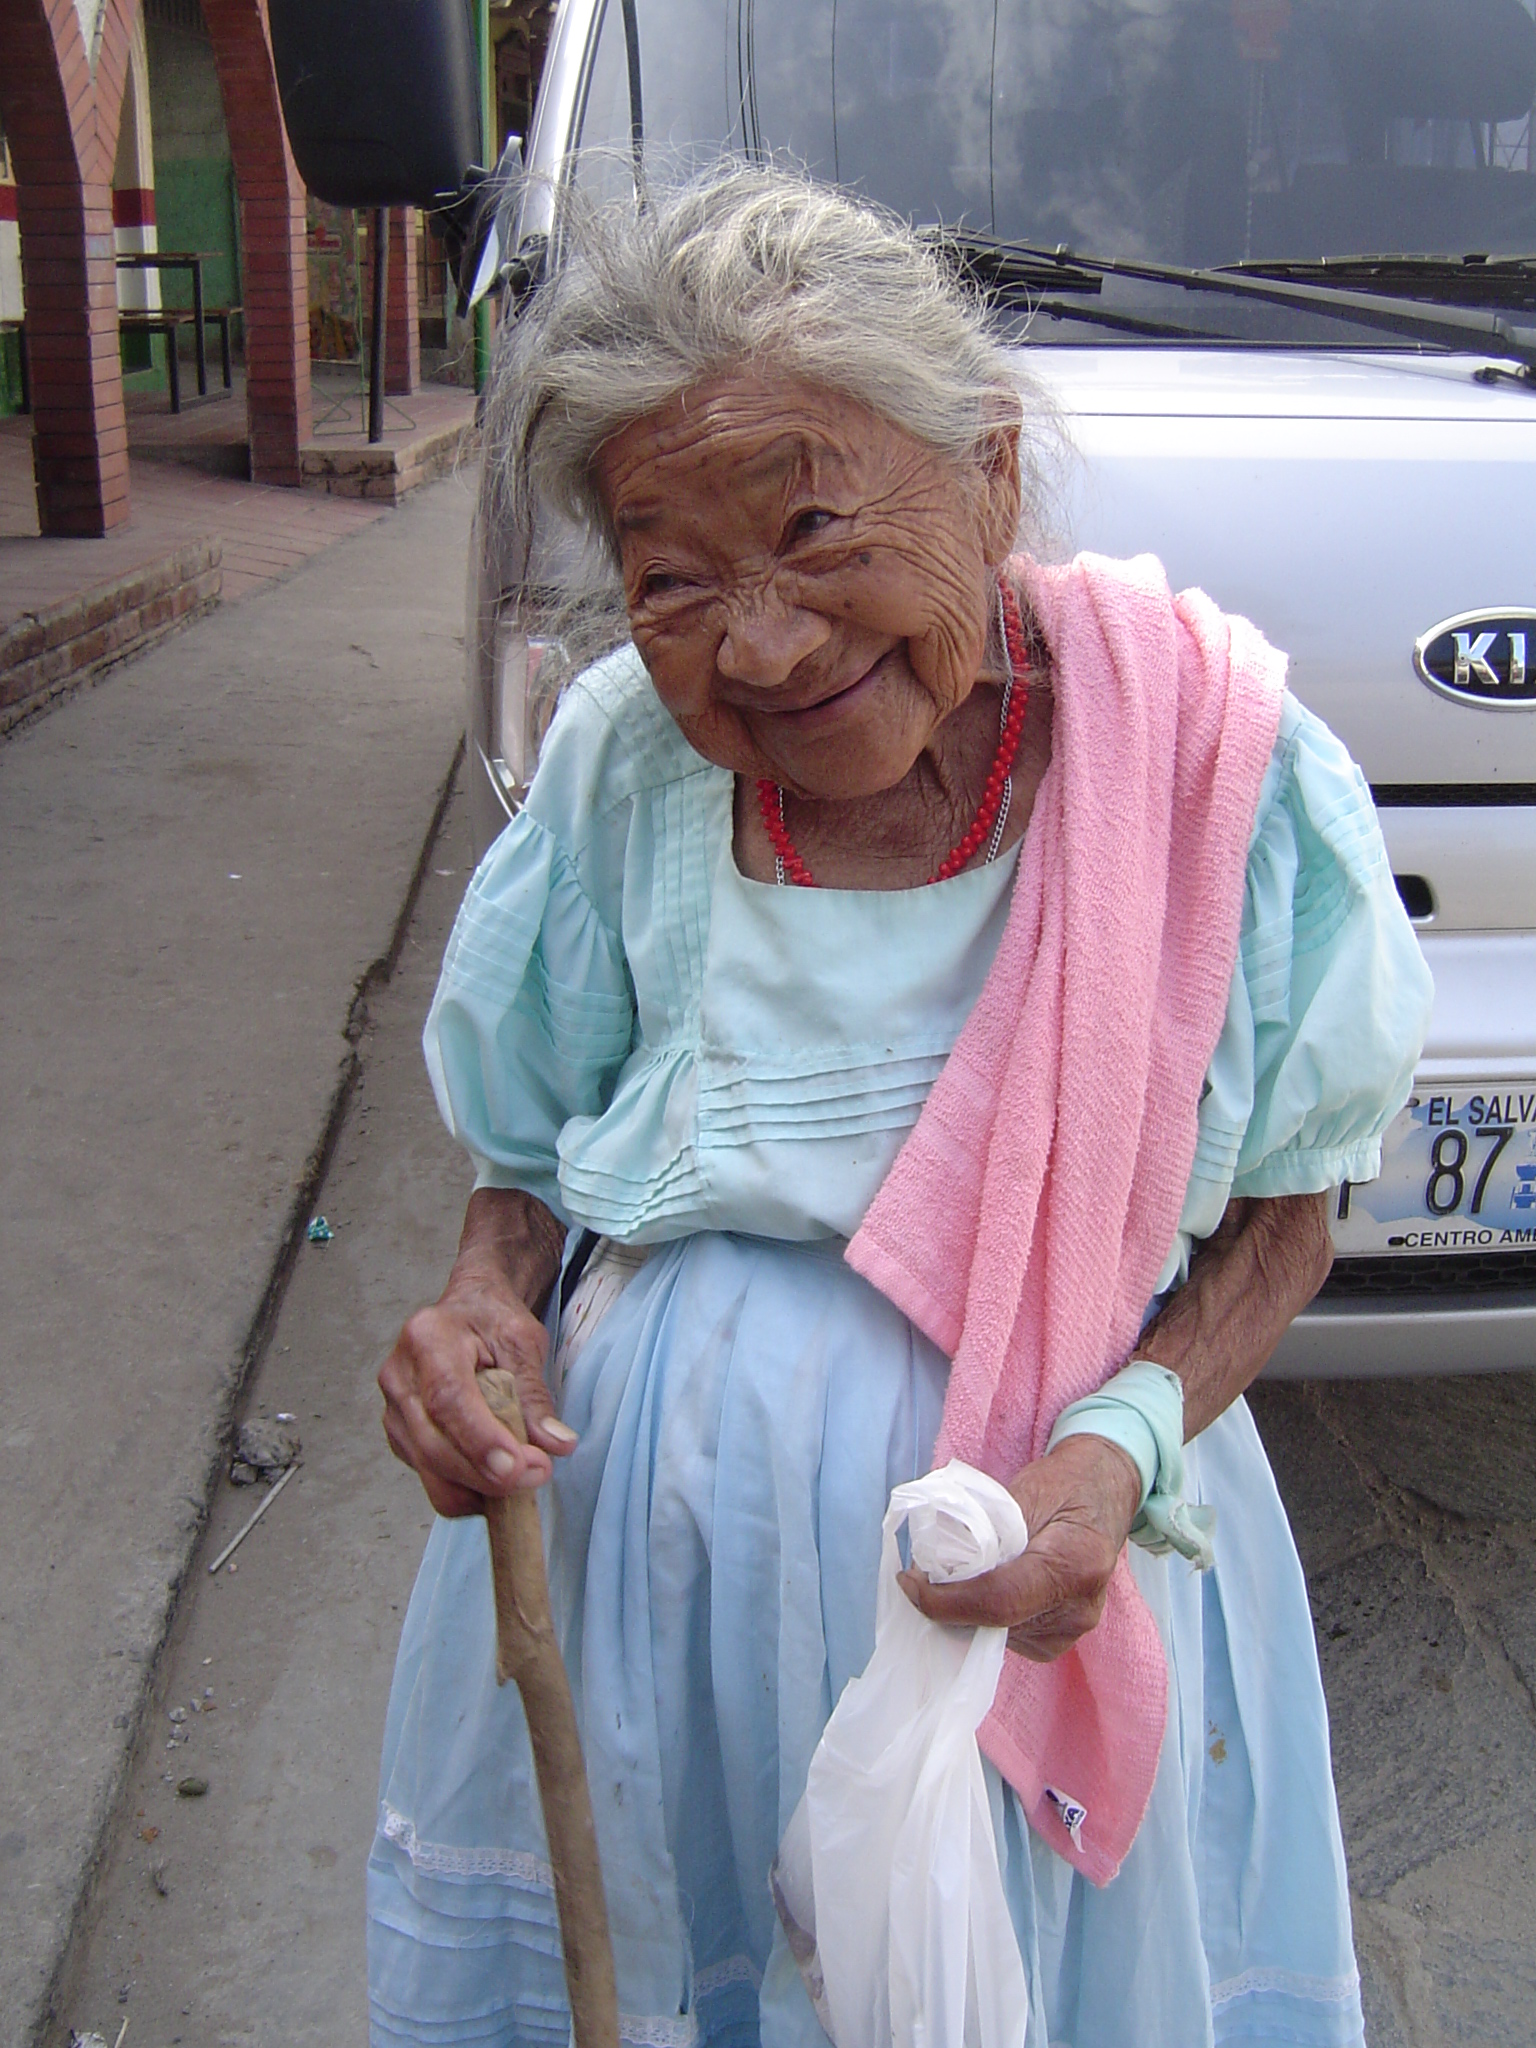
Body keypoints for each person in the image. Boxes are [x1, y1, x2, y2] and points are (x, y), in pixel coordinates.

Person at [367, 167, 1432, 2048]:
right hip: (665, 1580)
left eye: (815, 531)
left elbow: (1288, 1217)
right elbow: (523, 1167)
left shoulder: (1212, 763)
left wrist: (1122, 1451)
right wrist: (478, 1312)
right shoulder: (624, 764)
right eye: (673, 580)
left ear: (989, 478)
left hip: (1045, 1560)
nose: (762, 645)